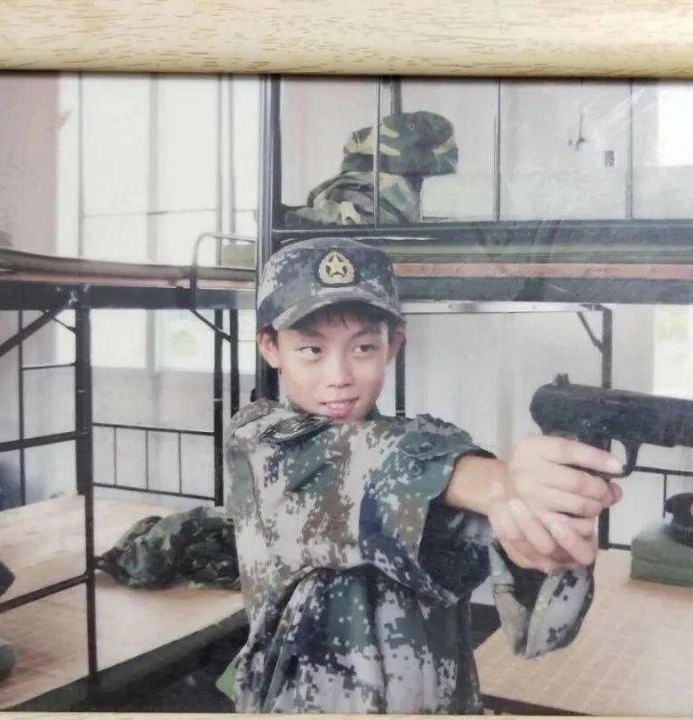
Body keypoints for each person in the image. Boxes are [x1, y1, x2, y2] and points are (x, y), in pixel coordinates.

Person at [224, 237, 623, 713]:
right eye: (311, 349)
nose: (339, 375)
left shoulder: (440, 446)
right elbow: (359, 463)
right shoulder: (260, 441)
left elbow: (538, 631)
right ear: (270, 347)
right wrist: (500, 484)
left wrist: (543, 531)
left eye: (363, 347)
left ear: (394, 343)